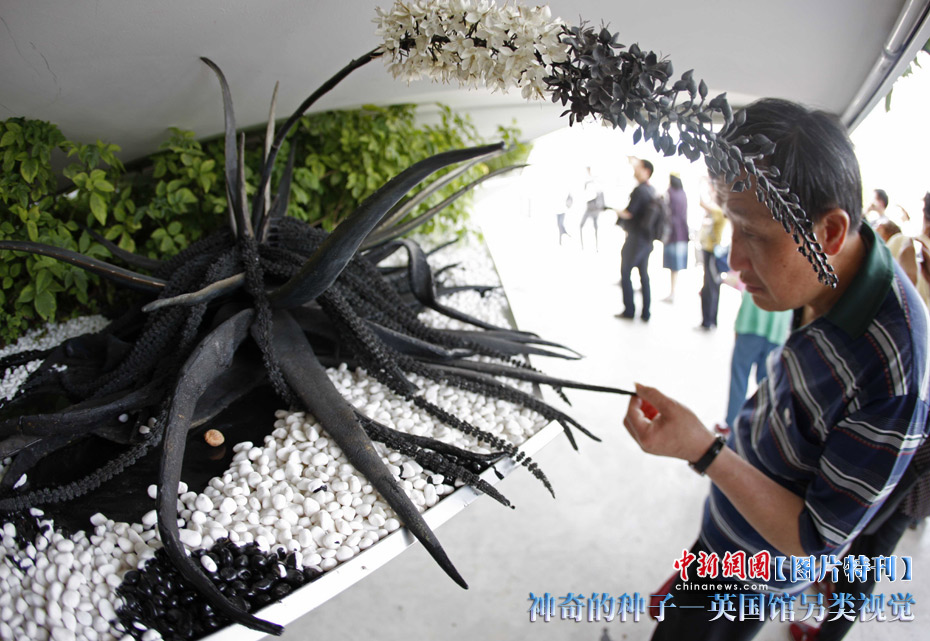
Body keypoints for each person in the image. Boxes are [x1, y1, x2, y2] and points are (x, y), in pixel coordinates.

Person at [623, 99, 929, 641]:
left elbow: (813, 543)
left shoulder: (892, 372)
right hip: (728, 530)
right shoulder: (828, 271)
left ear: (830, 232)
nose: (733, 259)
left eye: (756, 235)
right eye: (732, 227)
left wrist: (705, 451)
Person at [722, 289, 791, 431]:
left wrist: (738, 326)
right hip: (778, 331)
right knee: (767, 385)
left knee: (740, 377)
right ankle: (759, 429)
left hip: (751, 324)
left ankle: (732, 425)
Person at [615, 158, 656, 321]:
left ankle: (629, 310)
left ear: (646, 171)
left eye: (638, 167)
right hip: (647, 240)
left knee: (626, 272)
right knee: (643, 275)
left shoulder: (640, 190)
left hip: (636, 238)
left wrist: (616, 210)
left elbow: (629, 213)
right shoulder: (652, 190)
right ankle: (646, 312)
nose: (635, 169)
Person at [697, 193, 727, 329]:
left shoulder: (719, 210)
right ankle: (711, 320)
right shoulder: (720, 211)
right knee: (713, 286)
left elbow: (702, 203)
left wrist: (701, 189)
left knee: (709, 287)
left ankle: (708, 321)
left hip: (712, 253)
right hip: (713, 252)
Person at [661, 173, 689, 303]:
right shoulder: (683, 193)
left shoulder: (669, 193)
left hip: (673, 233)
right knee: (676, 266)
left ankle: (672, 292)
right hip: (682, 232)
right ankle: (673, 292)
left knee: (673, 264)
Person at [579, 166, 605, 251]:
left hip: (595, 208)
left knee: (596, 227)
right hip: (589, 207)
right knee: (581, 226)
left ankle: (597, 246)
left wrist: (601, 207)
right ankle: (583, 246)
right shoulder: (587, 181)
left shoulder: (596, 181)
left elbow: (600, 194)